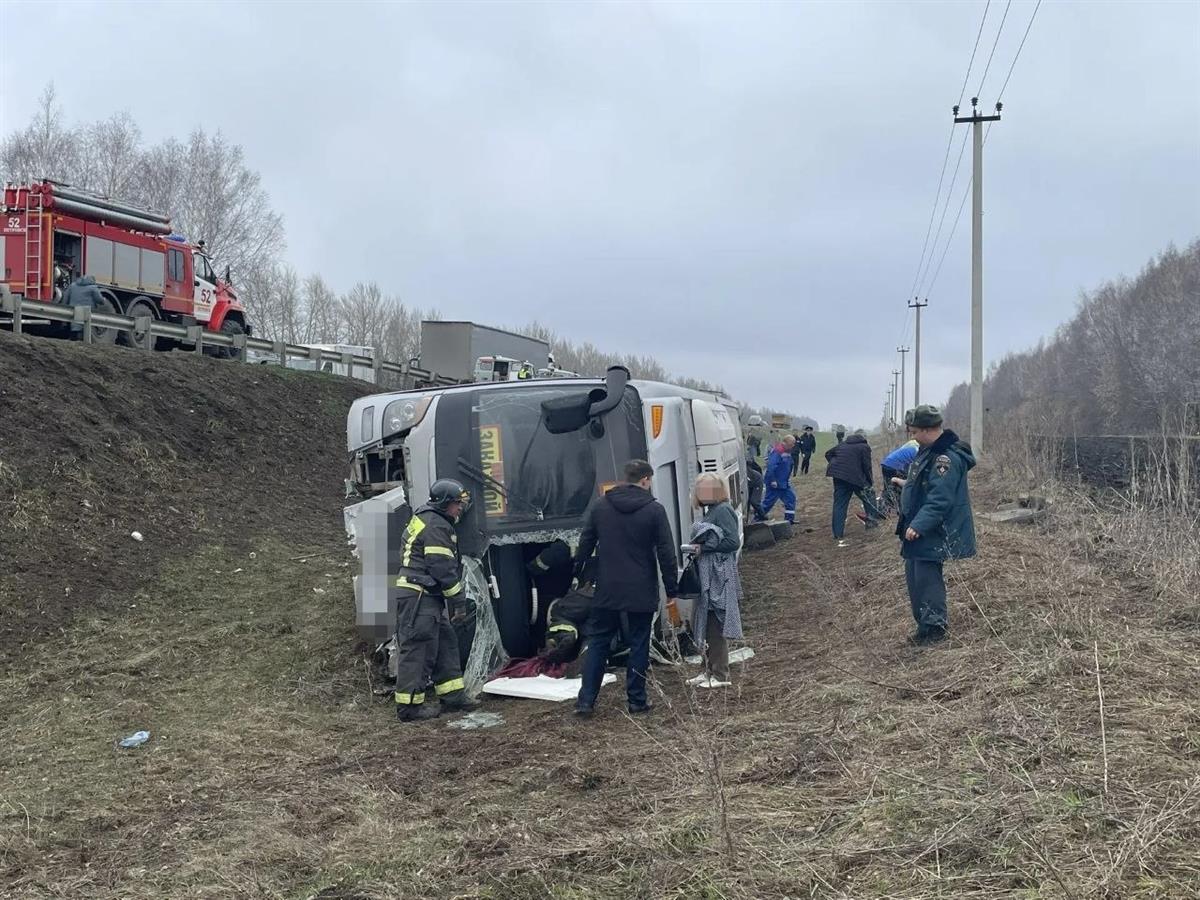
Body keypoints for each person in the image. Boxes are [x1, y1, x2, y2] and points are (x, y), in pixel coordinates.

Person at [573, 459, 679, 717]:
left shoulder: (601, 506)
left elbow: (585, 543)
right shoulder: (654, 510)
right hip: (641, 587)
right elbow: (666, 552)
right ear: (645, 479)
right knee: (639, 642)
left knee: (598, 642)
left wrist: (579, 574)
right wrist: (672, 588)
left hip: (607, 586)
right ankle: (636, 700)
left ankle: (586, 701)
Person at [393, 479, 481, 722]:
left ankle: (452, 696)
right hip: (419, 596)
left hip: (423, 595)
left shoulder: (428, 518)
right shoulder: (437, 526)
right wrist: (459, 601)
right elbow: (441, 568)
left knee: (445, 642)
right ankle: (409, 707)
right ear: (443, 503)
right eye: (456, 503)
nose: (460, 508)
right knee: (419, 648)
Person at [893, 405, 977, 644]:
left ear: (928, 429)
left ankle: (934, 629)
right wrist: (906, 484)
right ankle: (924, 627)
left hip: (933, 530)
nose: (913, 437)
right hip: (920, 527)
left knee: (927, 580)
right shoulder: (927, 451)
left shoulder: (944, 458)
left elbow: (940, 499)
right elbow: (926, 484)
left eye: (914, 432)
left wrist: (919, 525)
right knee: (915, 578)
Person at [685, 475, 744, 689]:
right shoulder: (711, 510)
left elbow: (732, 542)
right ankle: (708, 669)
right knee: (704, 621)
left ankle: (720, 674)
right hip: (709, 573)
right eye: (700, 489)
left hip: (718, 575)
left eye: (707, 489)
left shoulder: (723, 510)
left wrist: (704, 548)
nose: (702, 493)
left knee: (715, 622)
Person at [824, 430, 882, 547]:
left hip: (839, 477)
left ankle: (837, 534)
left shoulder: (842, 444)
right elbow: (867, 466)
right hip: (856, 478)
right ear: (863, 437)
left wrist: (836, 464)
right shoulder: (864, 447)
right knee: (869, 497)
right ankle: (872, 524)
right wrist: (870, 482)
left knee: (839, 504)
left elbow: (828, 454)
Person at [760, 434, 798, 524]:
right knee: (768, 503)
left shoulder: (788, 451)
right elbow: (771, 466)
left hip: (784, 483)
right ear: (785, 443)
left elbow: (789, 464)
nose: (793, 446)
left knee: (791, 499)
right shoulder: (777, 451)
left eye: (794, 444)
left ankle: (789, 520)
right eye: (791, 444)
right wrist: (773, 480)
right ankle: (757, 519)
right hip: (775, 483)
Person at [878, 438, 920, 516]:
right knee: (901, 488)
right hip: (895, 466)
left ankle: (882, 510)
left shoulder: (908, 447)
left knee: (888, 488)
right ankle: (902, 510)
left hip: (886, 464)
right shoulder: (917, 451)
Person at [745, 449, 767, 522]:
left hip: (757, 481)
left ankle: (763, 517)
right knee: (747, 501)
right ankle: (748, 520)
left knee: (754, 501)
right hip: (750, 483)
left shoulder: (747, 468)